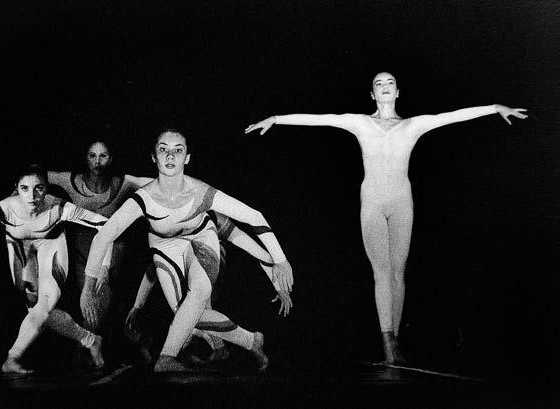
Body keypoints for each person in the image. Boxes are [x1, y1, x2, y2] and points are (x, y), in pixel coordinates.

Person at [245, 72, 527, 364]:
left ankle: (395, 341)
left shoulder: (412, 125)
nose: (384, 87)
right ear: (372, 94)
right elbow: (322, 118)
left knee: (397, 274)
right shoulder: (361, 123)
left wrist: (495, 108)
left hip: (402, 203)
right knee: (381, 273)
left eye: (389, 83)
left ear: (398, 91)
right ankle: (388, 343)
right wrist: (276, 119)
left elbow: (451, 116)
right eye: (378, 84)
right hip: (373, 204)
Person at [82, 128, 294, 371]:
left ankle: (166, 358)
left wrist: (280, 263)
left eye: (178, 150)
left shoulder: (202, 194)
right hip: (164, 245)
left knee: (199, 292)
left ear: (187, 158)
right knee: (185, 315)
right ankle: (250, 341)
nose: (170, 156)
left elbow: (253, 220)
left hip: (202, 239)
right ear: (154, 157)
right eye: (163, 149)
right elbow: (103, 237)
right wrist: (88, 288)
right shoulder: (143, 198)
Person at [0, 164, 112, 374]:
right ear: (16, 188)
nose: (32, 196)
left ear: (46, 188)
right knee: (37, 310)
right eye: (25, 188)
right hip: (20, 246)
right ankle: (91, 340)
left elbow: (107, 226)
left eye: (39, 188)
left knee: (44, 306)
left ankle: (12, 358)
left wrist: (104, 266)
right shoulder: (5, 209)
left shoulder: (59, 208)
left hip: (51, 242)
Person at [124, 210, 293, 365]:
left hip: (208, 255)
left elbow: (256, 250)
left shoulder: (214, 218)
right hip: (185, 257)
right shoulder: (163, 220)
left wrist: (280, 287)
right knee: (186, 312)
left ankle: (240, 342)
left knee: (190, 310)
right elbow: (154, 267)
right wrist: (138, 305)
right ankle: (224, 346)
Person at [47, 140, 153, 365]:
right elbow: (40, 176)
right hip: (82, 249)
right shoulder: (71, 181)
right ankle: (138, 342)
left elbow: (155, 183)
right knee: (91, 302)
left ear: (110, 159)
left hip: (112, 248)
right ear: (86, 158)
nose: (97, 161)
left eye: (103, 156)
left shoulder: (123, 183)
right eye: (92, 156)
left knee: (99, 298)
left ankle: (84, 352)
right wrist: (17, 190)